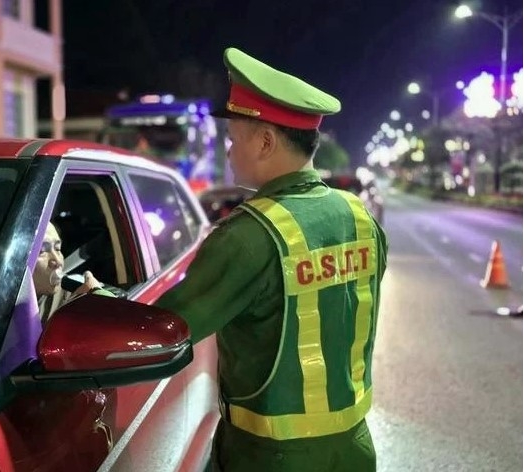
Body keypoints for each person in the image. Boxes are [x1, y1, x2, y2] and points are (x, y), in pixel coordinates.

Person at [153, 47, 388, 471]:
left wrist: (100, 299)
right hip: (354, 447)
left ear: (265, 141)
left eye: (232, 139)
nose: (227, 151)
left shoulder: (248, 236)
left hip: (272, 458)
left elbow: (164, 329)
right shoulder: (360, 217)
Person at [34, 221, 107, 320]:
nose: (58, 261)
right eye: (41, 251)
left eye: (58, 249)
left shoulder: (73, 297)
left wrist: (98, 296)